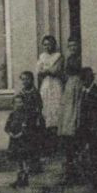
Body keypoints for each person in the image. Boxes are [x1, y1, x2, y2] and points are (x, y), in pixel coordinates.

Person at [4, 70, 45, 188]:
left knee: (30, 151)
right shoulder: (21, 94)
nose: (25, 81)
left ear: (32, 80)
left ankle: (30, 172)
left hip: (31, 124)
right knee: (19, 156)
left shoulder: (35, 93)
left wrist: (34, 119)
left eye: (27, 79)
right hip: (20, 126)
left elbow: (39, 108)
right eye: (23, 79)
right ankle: (20, 177)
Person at [34, 35, 65, 167]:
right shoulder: (42, 57)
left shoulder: (58, 56)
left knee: (57, 111)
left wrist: (47, 70)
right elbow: (39, 72)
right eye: (45, 44)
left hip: (56, 85)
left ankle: (58, 146)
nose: (47, 47)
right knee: (45, 112)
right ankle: (48, 148)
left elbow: (56, 71)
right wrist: (46, 70)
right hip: (46, 85)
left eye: (50, 44)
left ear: (54, 44)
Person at [56, 38, 84, 183]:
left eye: (75, 45)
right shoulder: (68, 59)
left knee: (76, 108)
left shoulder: (81, 58)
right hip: (69, 85)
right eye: (70, 46)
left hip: (78, 84)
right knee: (67, 111)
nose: (72, 47)